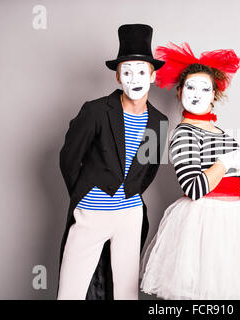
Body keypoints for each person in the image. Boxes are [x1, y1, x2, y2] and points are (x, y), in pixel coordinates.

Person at [139, 42, 240, 300]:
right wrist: (226, 163)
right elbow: (195, 188)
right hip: (202, 223)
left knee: (227, 291)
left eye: (205, 89)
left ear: (215, 94)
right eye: (190, 87)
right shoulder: (183, 133)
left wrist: (237, 165)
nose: (197, 94)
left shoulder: (223, 133)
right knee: (200, 294)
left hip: (235, 222)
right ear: (180, 91)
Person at [57, 24, 169, 300]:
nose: (135, 78)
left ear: (153, 76)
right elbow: (69, 159)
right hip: (91, 212)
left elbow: (148, 169)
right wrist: (85, 195)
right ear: (118, 77)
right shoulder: (95, 111)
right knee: (71, 291)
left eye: (142, 71)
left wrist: (128, 195)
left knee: (126, 292)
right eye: (127, 72)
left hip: (130, 216)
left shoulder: (159, 122)